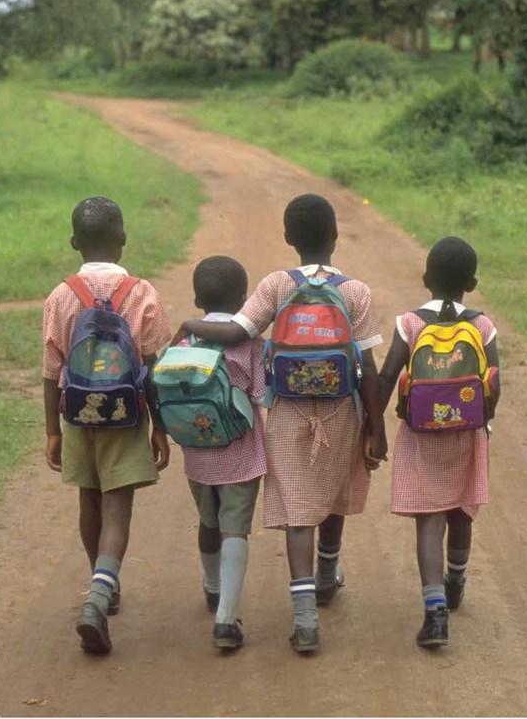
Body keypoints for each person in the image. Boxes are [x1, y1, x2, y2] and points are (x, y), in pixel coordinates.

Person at [170, 194, 386, 653]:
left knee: (297, 511)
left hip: (287, 412)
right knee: (331, 495)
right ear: (335, 237)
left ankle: (305, 620)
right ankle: (327, 576)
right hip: (342, 410)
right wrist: (376, 428)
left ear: (288, 238)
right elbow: (367, 366)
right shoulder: (355, 292)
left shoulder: (274, 285)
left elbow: (236, 333)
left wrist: (190, 322)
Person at [43, 196, 171, 655]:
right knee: (118, 508)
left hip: (76, 413)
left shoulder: (61, 294)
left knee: (89, 500)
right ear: (122, 240)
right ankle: (101, 591)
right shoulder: (141, 292)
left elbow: (50, 369)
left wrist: (53, 431)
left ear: (75, 242)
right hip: (126, 413)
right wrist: (160, 426)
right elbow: (154, 365)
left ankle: (102, 583)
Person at [378, 236, 500, 648]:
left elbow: (388, 375)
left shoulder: (410, 323)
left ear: (426, 278)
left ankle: (434, 615)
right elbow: (493, 384)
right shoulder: (481, 325)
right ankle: (456, 582)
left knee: (429, 519)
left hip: (421, 435)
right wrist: (484, 420)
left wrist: (373, 423)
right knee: (461, 511)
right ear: (473, 282)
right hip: (467, 433)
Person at [177, 256, 267, 650]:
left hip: (197, 453)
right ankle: (226, 619)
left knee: (207, 520)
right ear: (245, 300)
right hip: (242, 454)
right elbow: (262, 396)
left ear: (197, 298)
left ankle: (212, 587)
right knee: (236, 529)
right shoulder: (250, 343)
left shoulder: (185, 341)